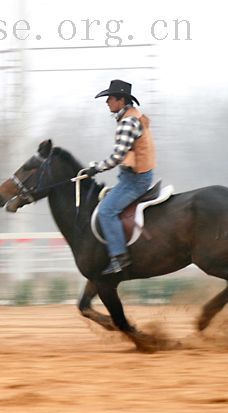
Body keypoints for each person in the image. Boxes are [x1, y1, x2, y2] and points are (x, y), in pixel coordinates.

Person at [80, 80, 156, 275]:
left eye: (110, 98)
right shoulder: (135, 116)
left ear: (121, 100)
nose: (107, 102)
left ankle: (119, 257)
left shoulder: (127, 122)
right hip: (136, 176)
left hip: (135, 180)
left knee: (106, 211)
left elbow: (117, 157)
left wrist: (95, 169)